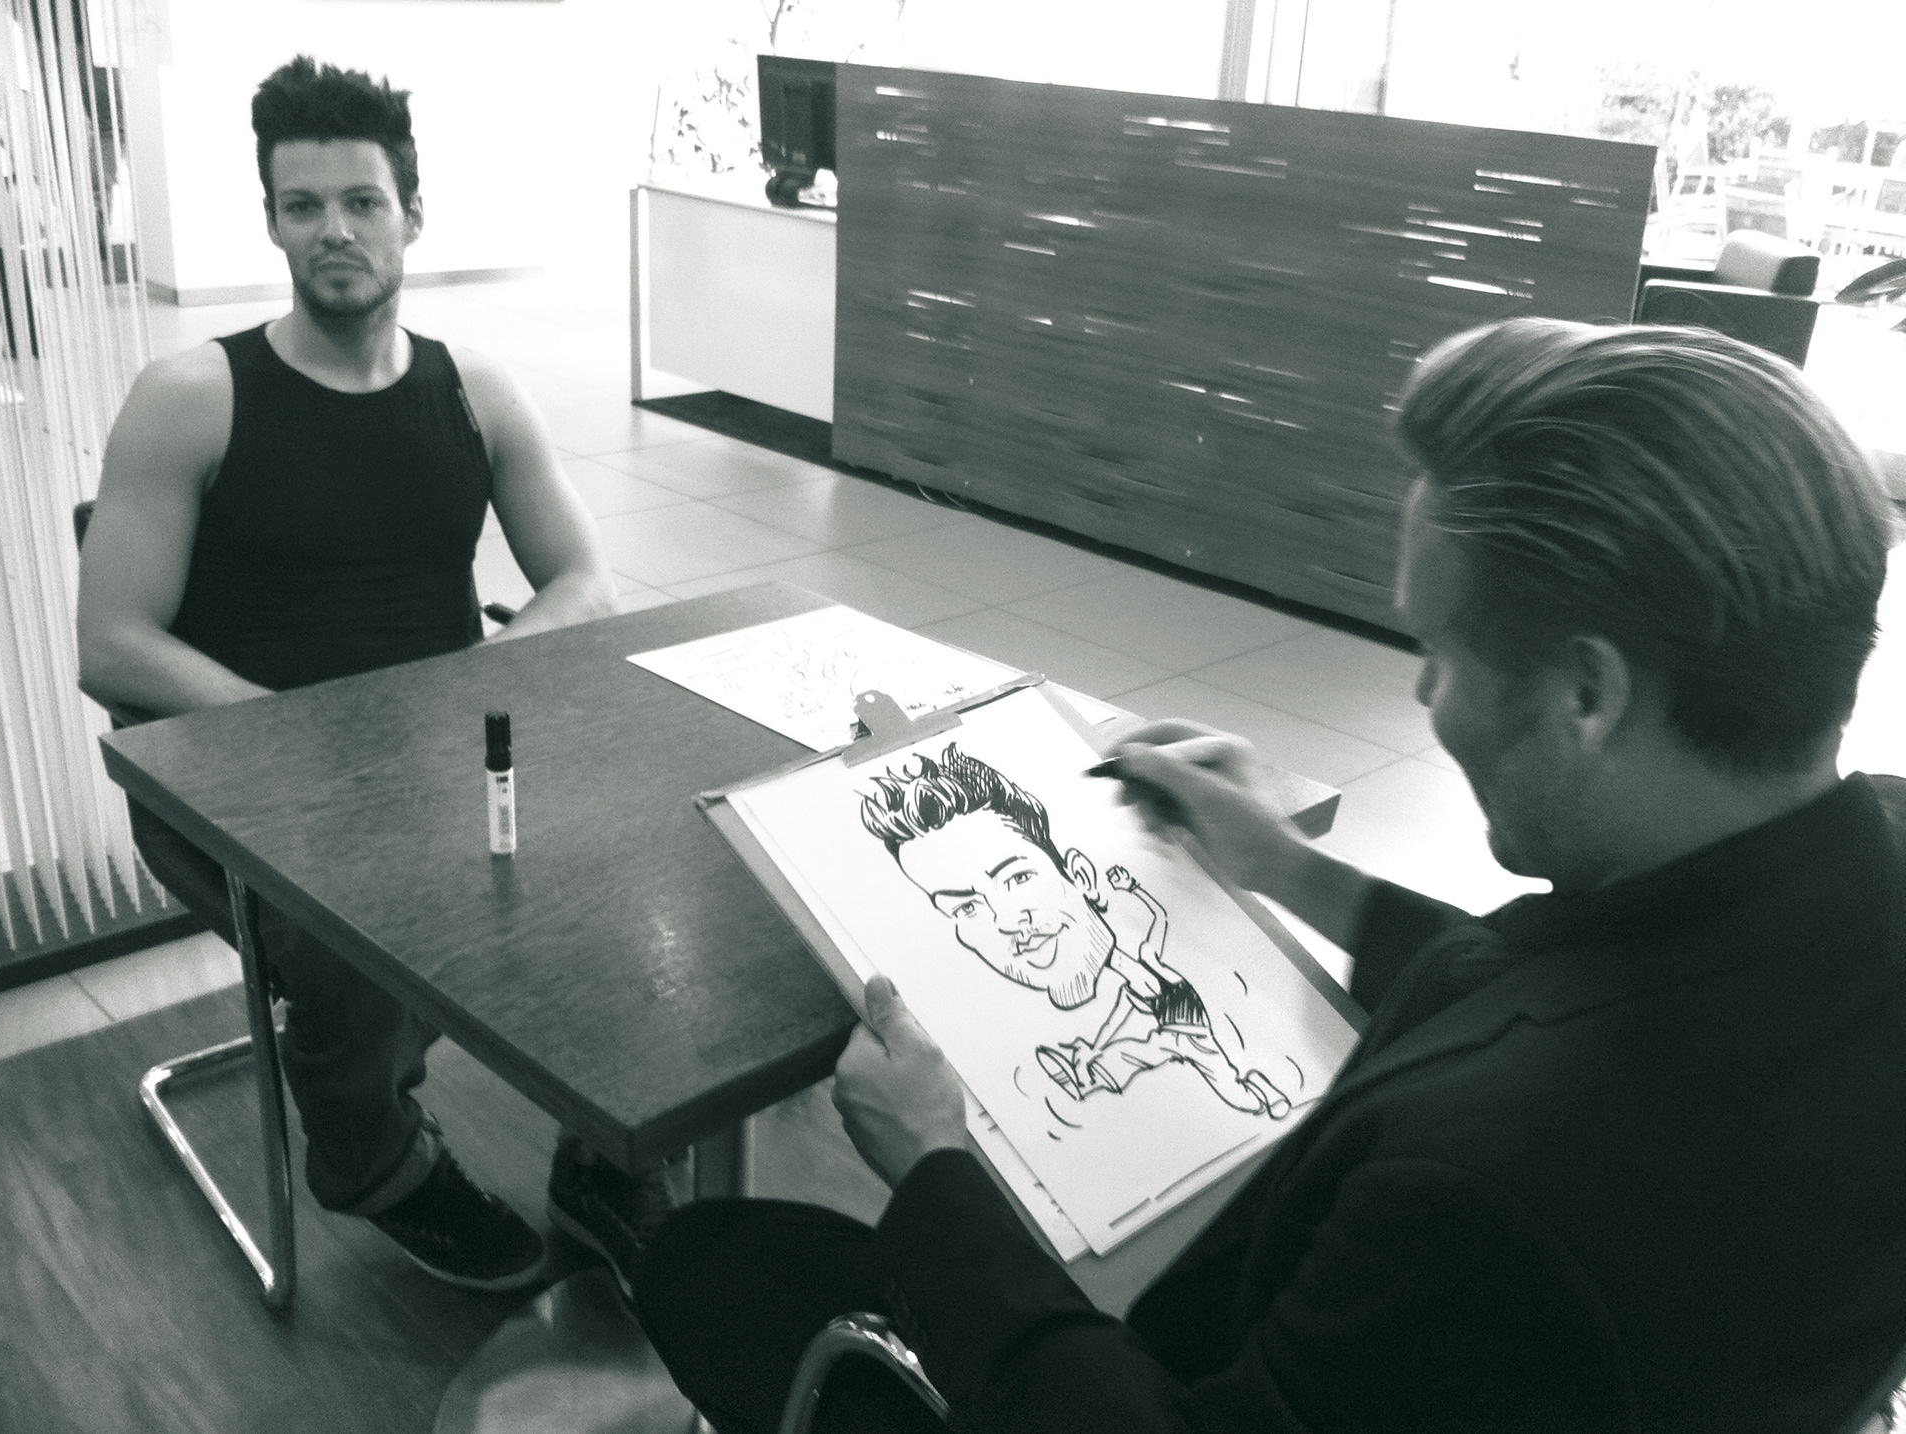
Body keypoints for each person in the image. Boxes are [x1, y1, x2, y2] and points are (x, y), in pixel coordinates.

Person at [625, 317, 1906, 1432]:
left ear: (1588, 694)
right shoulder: (1848, 891)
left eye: (1440, 653)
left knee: (713, 1264)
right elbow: (1554, 985)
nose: (1423, 695)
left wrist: (935, 1164)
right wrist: (1290, 871)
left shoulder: (1488, 1194)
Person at [78, 56, 661, 1293]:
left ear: (412, 215)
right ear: (273, 222)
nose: (334, 231)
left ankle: (609, 1145)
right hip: (245, 775)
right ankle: (371, 1158)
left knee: (639, 841)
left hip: (441, 755)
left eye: (361, 202)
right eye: (304, 206)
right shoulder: (192, 397)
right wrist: (324, 734)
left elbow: (582, 583)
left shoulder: (475, 390)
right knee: (363, 905)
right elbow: (113, 644)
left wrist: (460, 697)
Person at [860, 743, 1294, 1114]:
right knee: (1148, 1055)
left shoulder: (1164, 972)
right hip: (1173, 1032)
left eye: (1019, 878)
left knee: (1214, 1076)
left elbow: (1143, 984)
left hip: (1189, 1034)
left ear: (1082, 878)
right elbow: (1129, 1008)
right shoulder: (1136, 977)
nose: (1009, 923)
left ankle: (1261, 1098)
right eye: (967, 907)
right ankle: (1090, 1070)